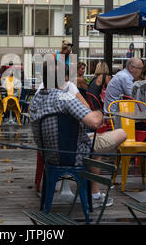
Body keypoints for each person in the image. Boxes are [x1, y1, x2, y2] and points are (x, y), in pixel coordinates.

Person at [29, 61, 127, 208]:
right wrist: (100, 113)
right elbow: (94, 122)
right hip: (73, 154)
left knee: (93, 143)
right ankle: (95, 195)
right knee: (121, 133)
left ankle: (93, 194)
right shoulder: (65, 98)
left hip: (48, 155)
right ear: (65, 79)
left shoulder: (35, 100)